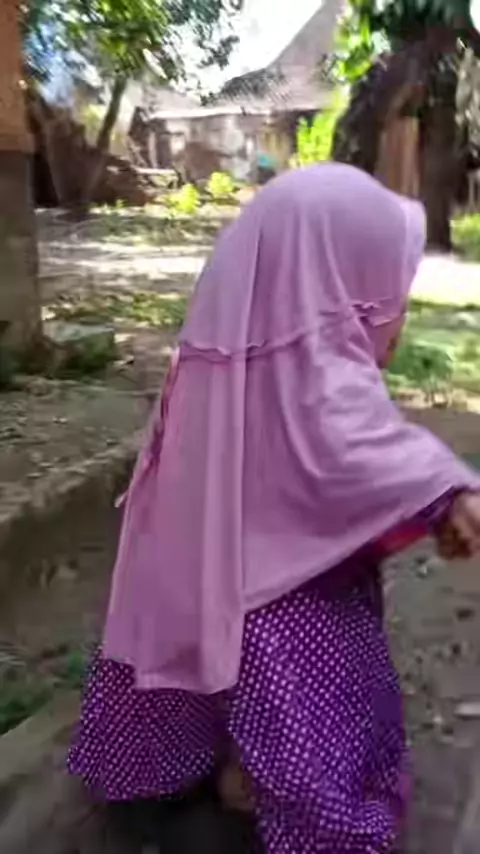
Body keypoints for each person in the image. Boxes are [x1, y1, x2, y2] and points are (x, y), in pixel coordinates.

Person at [68, 164, 480, 853]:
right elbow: (356, 442)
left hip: (200, 600)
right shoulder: (318, 378)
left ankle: (219, 765)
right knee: (312, 718)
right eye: (387, 295)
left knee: (229, 683)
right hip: (277, 618)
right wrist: (448, 491)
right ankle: (298, 808)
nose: (398, 318)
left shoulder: (224, 359)